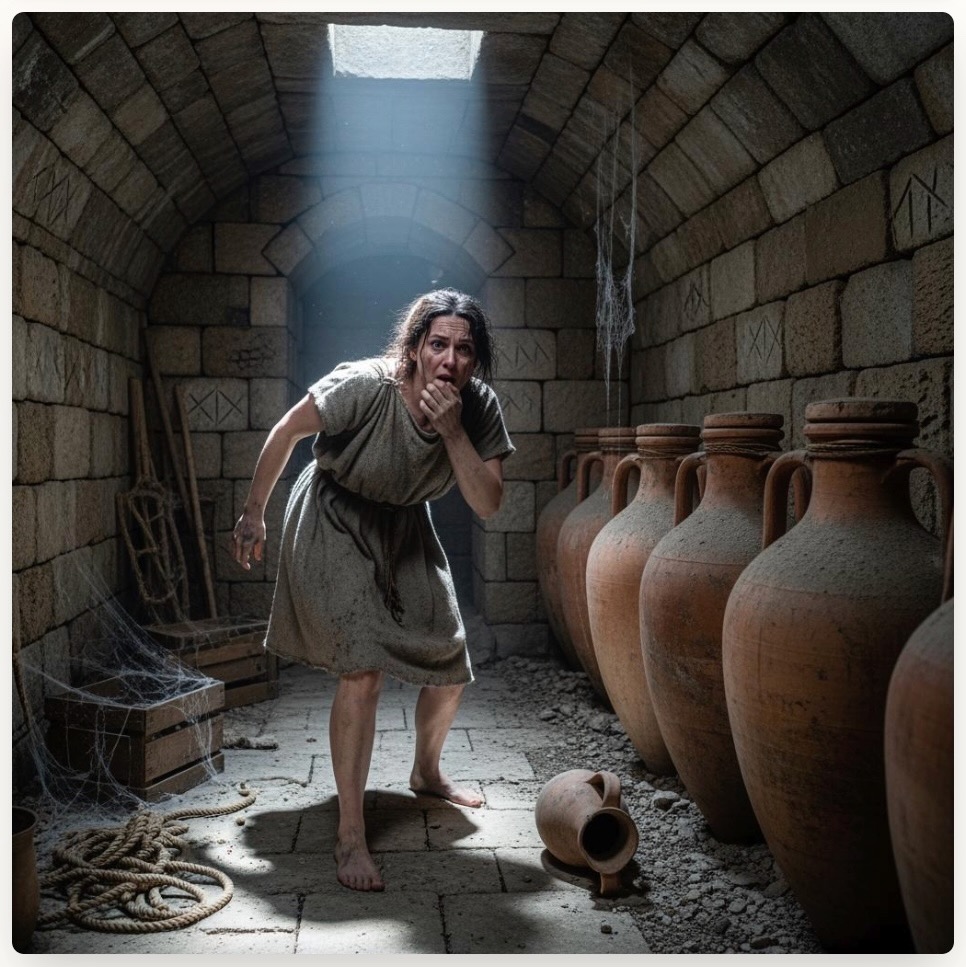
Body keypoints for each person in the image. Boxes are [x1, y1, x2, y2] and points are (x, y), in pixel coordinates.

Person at [231, 288, 514, 892]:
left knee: (450, 661)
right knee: (363, 669)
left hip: (405, 522)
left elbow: (488, 502)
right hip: (336, 513)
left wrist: (453, 433)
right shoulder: (367, 384)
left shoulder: (477, 407)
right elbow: (287, 430)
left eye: (465, 350)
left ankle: (426, 772)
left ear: (475, 361)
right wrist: (255, 512)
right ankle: (351, 835)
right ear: (413, 349)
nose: (450, 359)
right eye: (437, 344)